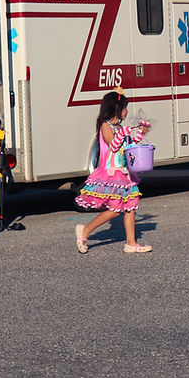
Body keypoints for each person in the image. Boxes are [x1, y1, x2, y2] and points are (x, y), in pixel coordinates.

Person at [74, 88, 152, 254]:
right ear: (116, 108)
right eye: (125, 108)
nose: (127, 111)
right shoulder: (105, 126)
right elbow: (114, 145)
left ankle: (131, 243)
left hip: (124, 173)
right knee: (116, 209)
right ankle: (85, 230)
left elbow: (129, 147)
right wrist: (126, 131)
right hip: (111, 173)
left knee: (131, 205)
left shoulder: (119, 127)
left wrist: (140, 132)